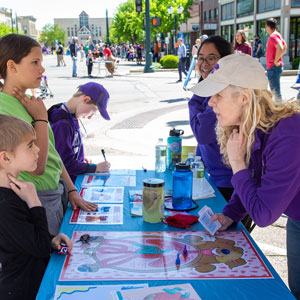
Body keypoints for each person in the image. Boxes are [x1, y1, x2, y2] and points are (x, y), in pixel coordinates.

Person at [192, 52, 300, 299]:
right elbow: (256, 179)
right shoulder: (256, 126)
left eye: (218, 95)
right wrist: (230, 214)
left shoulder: (288, 135)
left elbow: (262, 214)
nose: (210, 103)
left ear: (244, 97)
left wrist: (238, 161)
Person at [0, 34, 97, 236]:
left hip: (54, 193)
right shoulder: (5, 109)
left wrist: (71, 189)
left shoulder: (29, 102)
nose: (42, 69)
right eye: (35, 62)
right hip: (34, 200)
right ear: (12, 66)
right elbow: (38, 166)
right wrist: (42, 120)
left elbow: (52, 153)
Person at [0, 114, 73, 300]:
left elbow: (27, 237)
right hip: (22, 289)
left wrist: (51, 239)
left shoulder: (15, 191)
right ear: (5, 158)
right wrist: (35, 202)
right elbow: (39, 248)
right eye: (30, 145)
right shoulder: (5, 205)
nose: (38, 149)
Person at [189, 36, 234, 202]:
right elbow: (203, 142)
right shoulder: (208, 88)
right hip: (213, 178)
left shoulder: (224, 92)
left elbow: (202, 133)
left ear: (225, 60)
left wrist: (194, 99)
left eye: (212, 58)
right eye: (201, 58)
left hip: (230, 184)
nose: (204, 63)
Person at [48, 82, 111, 183]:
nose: (90, 117)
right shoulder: (62, 125)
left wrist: (80, 160)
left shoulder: (72, 115)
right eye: (93, 112)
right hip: (66, 184)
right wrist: (94, 168)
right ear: (85, 100)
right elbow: (65, 163)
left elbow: (68, 149)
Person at [265, 18, 287, 101]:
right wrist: (278, 58)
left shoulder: (273, 36)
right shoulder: (278, 34)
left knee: (275, 92)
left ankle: (280, 111)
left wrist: (275, 60)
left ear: (267, 27)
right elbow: (285, 47)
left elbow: (281, 47)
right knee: (276, 91)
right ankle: (279, 109)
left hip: (273, 67)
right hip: (276, 67)